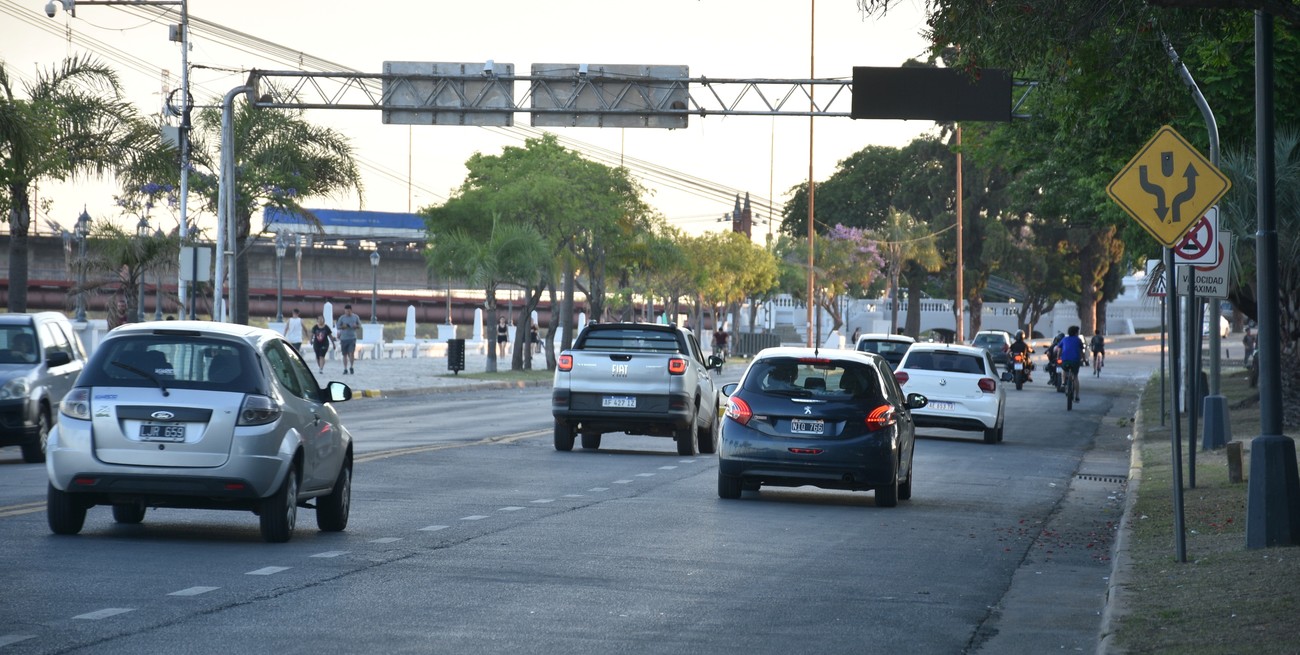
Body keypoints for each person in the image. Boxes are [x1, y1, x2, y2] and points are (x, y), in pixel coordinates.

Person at [1057, 326, 1086, 402]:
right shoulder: (1078, 340)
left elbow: (1059, 349)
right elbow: (1081, 351)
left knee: (1064, 369)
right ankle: (1077, 396)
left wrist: (1058, 357)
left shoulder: (1064, 339)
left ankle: (1063, 383)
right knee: (1075, 376)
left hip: (1065, 360)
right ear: (1076, 332)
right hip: (1075, 361)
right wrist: (1084, 359)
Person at [335, 304, 362, 374]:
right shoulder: (342, 318)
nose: (348, 313)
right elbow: (338, 326)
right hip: (343, 338)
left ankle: (351, 367)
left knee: (351, 353)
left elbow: (360, 326)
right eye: (346, 311)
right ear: (344, 311)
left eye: (349, 311)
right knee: (344, 354)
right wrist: (343, 326)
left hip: (352, 338)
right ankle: (345, 368)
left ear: (351, 310)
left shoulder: (355, 317)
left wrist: (356, 326)